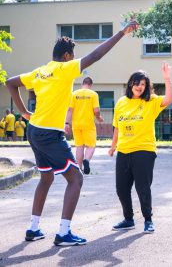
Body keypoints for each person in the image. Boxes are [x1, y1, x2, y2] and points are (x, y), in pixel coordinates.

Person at [5, 19, 138, 246]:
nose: (75, 60)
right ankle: (64, 233)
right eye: (73, 55)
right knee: (75, 178)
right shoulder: (65, 69)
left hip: (34, 131)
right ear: (67, 56)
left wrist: (25, 112)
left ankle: (33, 228)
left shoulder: (41, 71)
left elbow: (10, 83)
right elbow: (95, 55)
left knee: (46, 177)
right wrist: (121, 34)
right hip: (49, 133)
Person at [108, 62, 172, 234]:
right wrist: (113, 146)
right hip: (123, 150)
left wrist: (167, 79)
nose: (140, 86)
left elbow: (169, 99)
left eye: (143, 84)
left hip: (144, 150)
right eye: (137, 83)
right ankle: (128, 219)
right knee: (121, 188)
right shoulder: (121, 102)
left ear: (146, 87)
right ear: (131, 83)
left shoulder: (150, 101)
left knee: (142, 188)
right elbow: (117, 127)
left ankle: (148, 220)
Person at [65, 76, 103, 174]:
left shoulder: (74, 94)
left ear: (83, 84)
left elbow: (69, 110)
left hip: (76, 124)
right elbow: (96, 110)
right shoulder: (93, 94)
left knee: (79, 146)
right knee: (91, 145)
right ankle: (86, 160)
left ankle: (79, 169)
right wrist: (98, 117)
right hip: (88, 124)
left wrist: (66, 123)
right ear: (90, 85)